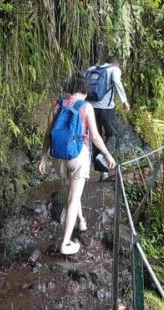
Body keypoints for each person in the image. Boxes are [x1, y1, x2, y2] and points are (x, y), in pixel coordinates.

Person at [39, 76, 116, 255]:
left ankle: (81, 221)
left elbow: (48, 134)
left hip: (58, 157)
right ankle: (65, 243)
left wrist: (43, 158)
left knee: (73, 192)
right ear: (85, 90)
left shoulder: (57, 104)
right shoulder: (86, 107)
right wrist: (107, 154)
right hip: (78, 156)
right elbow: (95, 136)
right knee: (73, 198)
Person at [86, 57, 129, 181]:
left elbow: (82, 83)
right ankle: (101, 156)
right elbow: (117, 82)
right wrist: (124, 101)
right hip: (106, 109)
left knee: (96, 137)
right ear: (117, 64)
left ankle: (103, 173)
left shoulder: (91, 69)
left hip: (90, 108)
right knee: (112, 135)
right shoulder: (114, 69)